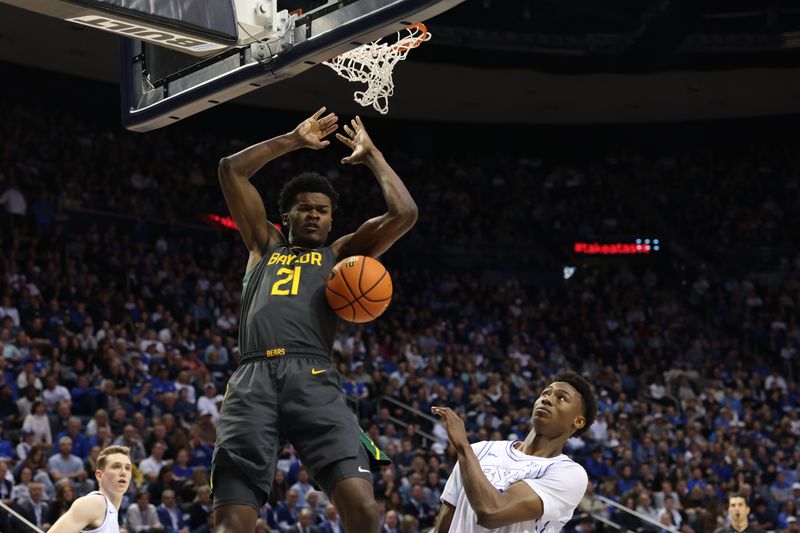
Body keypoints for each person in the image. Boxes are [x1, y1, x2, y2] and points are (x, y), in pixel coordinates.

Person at [212, 106, 417, 533]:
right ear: (284, 216)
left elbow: (404, 214)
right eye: (304, 208)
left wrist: (373, 155)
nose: (314, 215)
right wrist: (292, 140)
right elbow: (231, 170)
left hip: (313, 373)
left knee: (362, 507)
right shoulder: (262, 244)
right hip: (251, 380)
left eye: (322, 210)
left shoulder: (340, 254)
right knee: (232, 523)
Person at [432, 370, 597, 533]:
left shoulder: (568, 474)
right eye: (545, 393)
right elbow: (445, 522)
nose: (547, 400)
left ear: (578, 421)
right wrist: (466, 449)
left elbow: (491, 512)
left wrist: (462, 446)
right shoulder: (480, 450)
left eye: (561, 398)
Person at [47, 445, 132, 533]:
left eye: (128, 468)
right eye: (116, 467)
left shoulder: (112, 512)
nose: (123, 472)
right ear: (99, 475)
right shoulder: (94, 503)